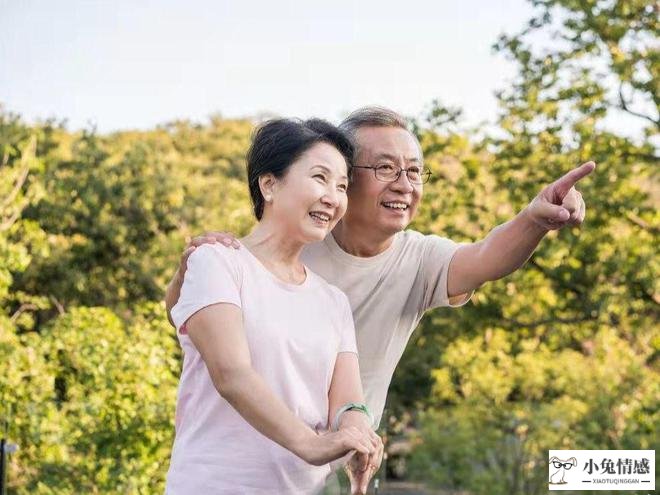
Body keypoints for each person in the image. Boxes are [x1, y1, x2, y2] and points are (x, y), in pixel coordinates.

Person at [166, 106, 594, 490]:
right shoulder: (274, 245)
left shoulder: (390, 270)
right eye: (386, 168)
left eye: (414, 171)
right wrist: (193, 268)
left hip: (326, 465)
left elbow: (486, 256)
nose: (405, 184)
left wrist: (535, 218)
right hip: (237, 467)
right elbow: (211, 342)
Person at [165, 117, 383, 495]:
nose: (333, 196)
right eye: (320, 177)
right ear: (269, 184)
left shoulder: (332, 301)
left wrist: (356, 434)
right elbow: (231, 373)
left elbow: (348, 401)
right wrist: (313, 445)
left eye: (343, 186)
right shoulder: (217, 262)